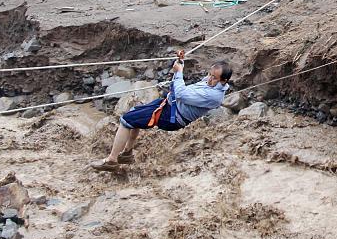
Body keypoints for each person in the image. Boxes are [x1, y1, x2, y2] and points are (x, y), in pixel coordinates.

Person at [92, 53, 233, 171]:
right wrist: (180, 63)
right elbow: (181, 90)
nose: (209, 79)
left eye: (214, 77)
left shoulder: (214, 96)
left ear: (224, 81)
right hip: (168, 105)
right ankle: (127, 154)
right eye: (209, 74)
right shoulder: (211, 82)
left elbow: (181, 94)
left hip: (172, 116)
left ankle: (112, 160)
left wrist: (179, 72)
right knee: (134, 114)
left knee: (126, 120)